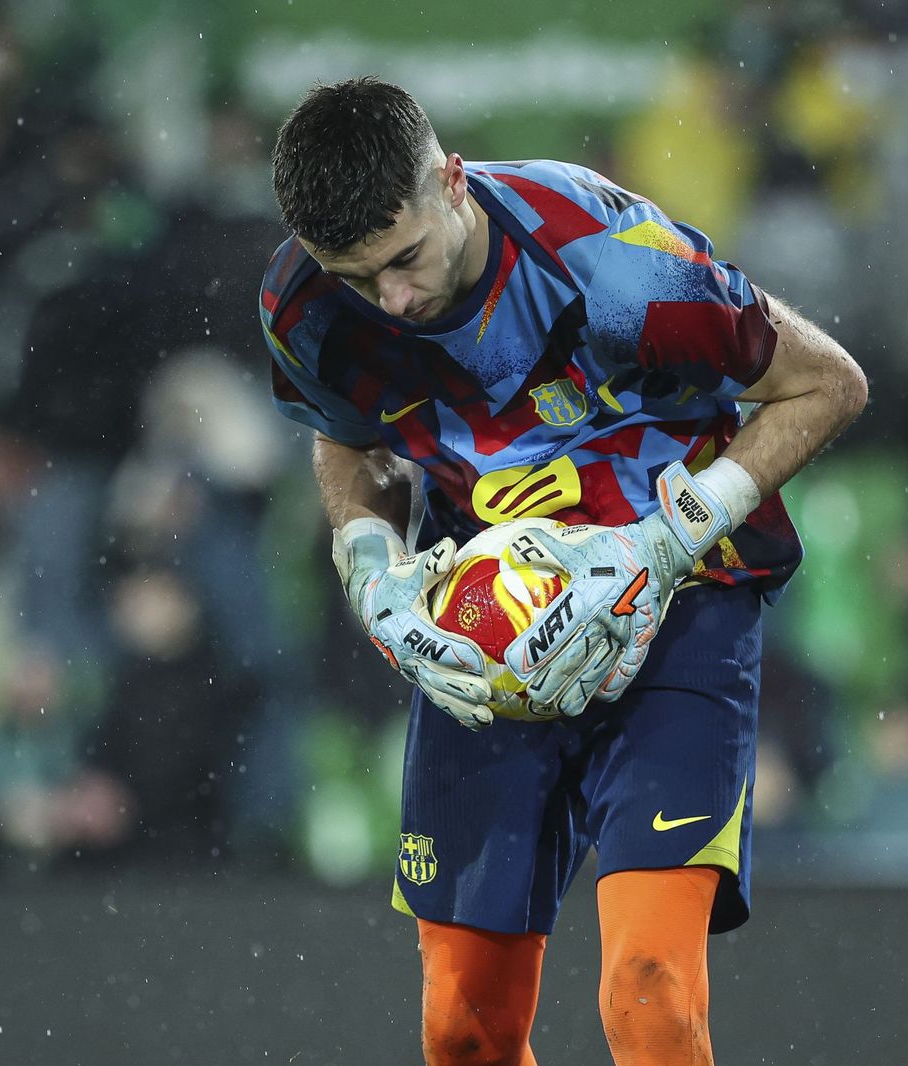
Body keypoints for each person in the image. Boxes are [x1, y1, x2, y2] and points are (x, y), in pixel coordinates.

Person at [261, 78, 866, 1065]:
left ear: (452, 182)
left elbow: (827, 383)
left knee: (650, 996)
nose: (394, 300)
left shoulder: (613, 266)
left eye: (405, 258)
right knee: (460, 1027)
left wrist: (666, 538)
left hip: (680, 605)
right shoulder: (305, 305)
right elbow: (347, 436)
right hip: (491, 628)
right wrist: (369, 559)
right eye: (358, 277)